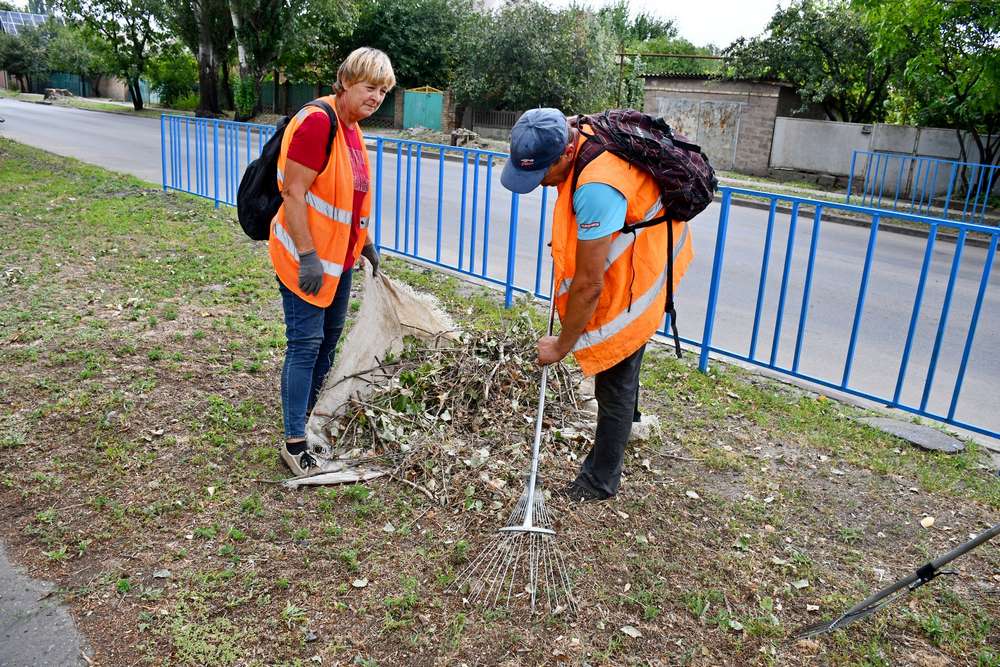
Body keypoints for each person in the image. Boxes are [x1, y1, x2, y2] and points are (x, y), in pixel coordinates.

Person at [500, 108, 694, 501]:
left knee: (615, 367)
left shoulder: (596, 188)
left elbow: (590, 285)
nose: (539, 185)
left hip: (639, 273)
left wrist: (560, 346)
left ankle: (600, 480)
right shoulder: (570, 133)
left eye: (541, 174)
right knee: (622, 366)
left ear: (564, 155)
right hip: (630, 253)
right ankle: (630, 420)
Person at [270, 47, 395, 475]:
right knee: (304, 345)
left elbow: (346, 199)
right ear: (344, 82)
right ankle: (293, 442)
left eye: (383, 90)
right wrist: (307, 256)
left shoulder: (353, 128)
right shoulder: (317, 123)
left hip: (338, 262)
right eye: (369, 87)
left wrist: (366, 244)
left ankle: (305, 423)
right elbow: (294, 193)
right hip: (306, 259)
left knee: (327, 342)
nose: (376, 97)